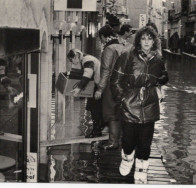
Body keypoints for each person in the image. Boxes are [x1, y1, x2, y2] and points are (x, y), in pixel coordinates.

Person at [110, 26, 169, 183]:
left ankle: (142, 168)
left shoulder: (158, 58)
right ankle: (127, 157)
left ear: (154, 40)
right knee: (128, 141)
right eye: (143, 38)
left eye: (150, 38)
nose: (147, 42)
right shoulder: (127, 56)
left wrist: (159, 80)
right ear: (138, 40)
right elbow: (115, 81)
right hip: (130, 104)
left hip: (149, 105)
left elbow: (164, 75)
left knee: (145, 143)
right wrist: (123, 99)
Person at [94, 24, 125, 150]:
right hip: (123, 85)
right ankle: (120, 140)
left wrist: (100, 89)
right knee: (120, 112)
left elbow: (106, 70)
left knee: (111, 113)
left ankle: (113, 142)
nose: (101, 42)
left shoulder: (109, 49)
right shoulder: (123, 46)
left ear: (103, 36)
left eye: (101, 39)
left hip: (111, 86)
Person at [67, 49, 102, 138]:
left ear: (75, 56)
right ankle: (97, 130)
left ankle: (96, 131)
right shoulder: (86, 59)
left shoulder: (87, 60)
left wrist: (79, 88)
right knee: (93, 108)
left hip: (99, 86)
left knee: (95, 109)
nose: (73, 63)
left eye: (72, 60)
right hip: (98, 85)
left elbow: (87, 74)